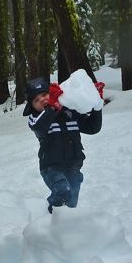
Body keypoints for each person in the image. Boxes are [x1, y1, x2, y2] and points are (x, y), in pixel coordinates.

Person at [22, 76, 102, 213]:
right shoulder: (35, 119)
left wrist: (97, 106)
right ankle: (42, 215)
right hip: (51, 168)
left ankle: (63, 229)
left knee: (70, 205)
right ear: (32, 106)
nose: (42, 99)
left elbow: (92, 128)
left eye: (44, 94)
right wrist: (53, 107)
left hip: (73, 168)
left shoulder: (70, 112)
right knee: (62, 191)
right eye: (36, 100)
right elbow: (40, 127)